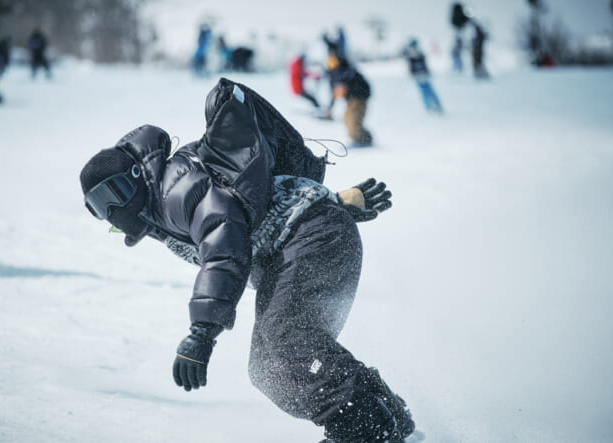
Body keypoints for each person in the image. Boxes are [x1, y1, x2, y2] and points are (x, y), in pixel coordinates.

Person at [79, 78, 414, 443]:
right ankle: (385, 413)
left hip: (312, 237)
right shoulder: (161, 202)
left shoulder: (175, 189)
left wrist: (202, 332)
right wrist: (336, 202)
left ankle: (363, 424)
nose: (112, 211)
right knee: (267, 368)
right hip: (302, 241)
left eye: (114, 195)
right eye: (98, 208)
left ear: (134, 178)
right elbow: (253, 200)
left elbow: (226, 247)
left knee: (286, 340)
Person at [325, 52, 373, 147]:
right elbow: (336, 92)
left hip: (358, 98)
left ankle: (362, 141)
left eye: (333, 62)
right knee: (347, 120)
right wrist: (330, 108)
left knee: (353, 121)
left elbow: (339, 89)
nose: (331, 65)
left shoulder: (345, 71)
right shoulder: (337, 74)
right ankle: (362, 139)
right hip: (351, 99)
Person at [402, 39, 444, 114]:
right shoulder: (418, 53)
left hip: (420, 75)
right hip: (421, 74)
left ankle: (431, 106)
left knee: (425, 91)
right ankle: (434, 105)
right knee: (428, 91)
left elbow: (413, 65)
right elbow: (417, 65)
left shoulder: (412, 54)